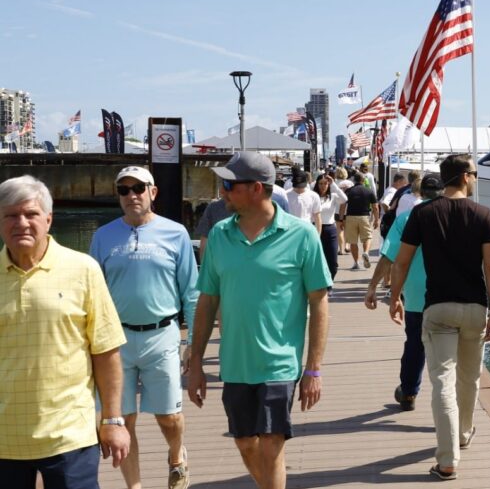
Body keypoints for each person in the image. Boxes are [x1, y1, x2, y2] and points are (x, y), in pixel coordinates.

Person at [187, 151, 331, 489]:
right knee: (245, 442)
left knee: (270, 444)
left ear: (255, 188)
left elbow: (320, 303)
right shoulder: (221, 234)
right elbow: (207, 301)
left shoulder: (302, 235)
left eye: (229, 185)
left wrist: (313, 369)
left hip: (280, 362)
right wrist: (195, 361)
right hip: (235, 363)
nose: (222, 192)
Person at [0, 175, 130, 488]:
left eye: (30, 214)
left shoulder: (82, 269)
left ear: (48, 219)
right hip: (5, 437)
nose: (21, 223)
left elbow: (106, 351)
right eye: (11, 215)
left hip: (70, 435)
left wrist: (112, 420)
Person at [390, 154, 490, 481]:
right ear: (465, 177)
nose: (476, 178)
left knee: (442, 381)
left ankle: (448, 458)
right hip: (474, 307)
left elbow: (402, 261)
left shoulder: (422, 213)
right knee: (468, 378)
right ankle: (464, 433)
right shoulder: (483, 214)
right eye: (475, 173)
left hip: (437, 307)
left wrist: (395, 297)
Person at [89, 166, 198, 489]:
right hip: (115, 340)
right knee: (122, 419)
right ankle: (134, 486)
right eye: (124, 190)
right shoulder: (103, 236)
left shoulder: (175, 233)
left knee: (169, 417)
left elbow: (190, 291)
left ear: (153, 192)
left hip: (161, 334)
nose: (132, 195)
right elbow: (91, 292)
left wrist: (193, 340)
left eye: (139, 188)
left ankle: (177, 456)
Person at [364, 174, 444, 412]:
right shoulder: (454, 216)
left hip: (417, 295)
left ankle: (408, 392)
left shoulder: (408, 217)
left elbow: (390, 256)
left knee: (415, 346)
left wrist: (374, 288)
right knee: (448, 353)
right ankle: (447, 399)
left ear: (418, 192)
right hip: (450, 294)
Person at [339, 174, 379, 270]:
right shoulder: (369, 191)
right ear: (363, 180)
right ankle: (366, 252)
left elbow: (343, 206)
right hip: (364, 217)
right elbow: (375, 207)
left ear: (354, 180)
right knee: (367, 238)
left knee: (353, 242)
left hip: (350, 217)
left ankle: (356, 263)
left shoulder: (349, 191)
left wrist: (341, 219)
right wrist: (376, 219)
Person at [314, 172, 347, 280]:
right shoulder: (313, 196)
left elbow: (344, 199)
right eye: (320, 184)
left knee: (332, 263)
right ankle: (320, 285)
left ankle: (329, 283)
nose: (323, 186)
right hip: (315, 229)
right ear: (317, 184)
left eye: (325, 184)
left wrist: (333, 184)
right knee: (317, 260)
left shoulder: (333, 196)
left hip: (330, 230)